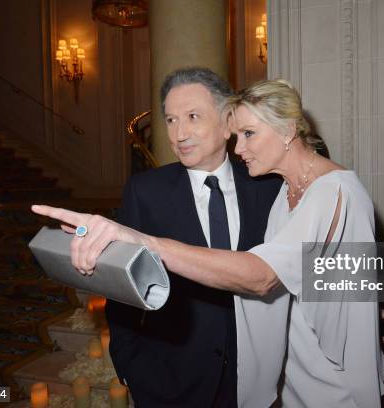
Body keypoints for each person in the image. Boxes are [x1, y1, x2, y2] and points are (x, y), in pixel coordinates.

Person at [33, 79, 384, 407]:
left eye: (249, 134)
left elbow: (262, 275)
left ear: (288, 130)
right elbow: (310, 267)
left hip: (331, 385)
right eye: (170, 119)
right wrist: (360, 309)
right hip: (289, 377)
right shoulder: (285, 192)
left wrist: (141, 240)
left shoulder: (335, 190)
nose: (239, 147)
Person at [99, 67, 281, 407]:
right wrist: (130, 366)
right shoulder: (145, 191)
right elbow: (122, 289)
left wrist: (369, 314)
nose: (178, 134)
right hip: (169, 380)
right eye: (170, 120)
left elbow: (296, 263)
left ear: (228, 121)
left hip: (255, 380)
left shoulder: (267, 185)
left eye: (192, 116)